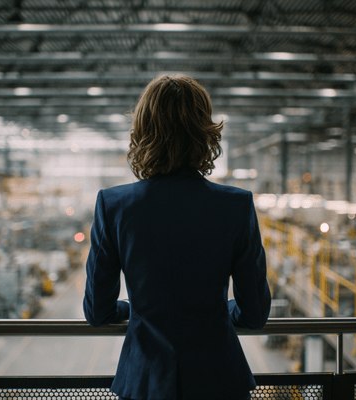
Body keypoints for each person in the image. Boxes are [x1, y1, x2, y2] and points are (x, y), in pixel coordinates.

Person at [83, 74, 271, 400]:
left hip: (145, 382)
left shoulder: (113, 205)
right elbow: (253, 314)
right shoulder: (235, 205)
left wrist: (139, 309)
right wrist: (215, 309)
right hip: (219, 381)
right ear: (205, 133)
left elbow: (97, 312)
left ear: (142, 132)